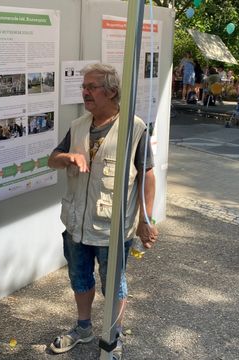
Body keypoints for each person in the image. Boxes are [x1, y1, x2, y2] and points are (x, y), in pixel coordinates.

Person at [47, 63, 158, 359]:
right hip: (76, 223)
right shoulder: (78, 125)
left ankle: (112, 335)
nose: (85, 92)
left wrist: (146, 219)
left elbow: (147, 174)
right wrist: (67, 157)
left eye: (91, 87)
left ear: (111, 91)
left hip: (112, 227)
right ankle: (83, 329)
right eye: (83, 87)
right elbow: (52, 160)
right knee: (80, 279)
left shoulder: (134, 129)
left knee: (114, 285)